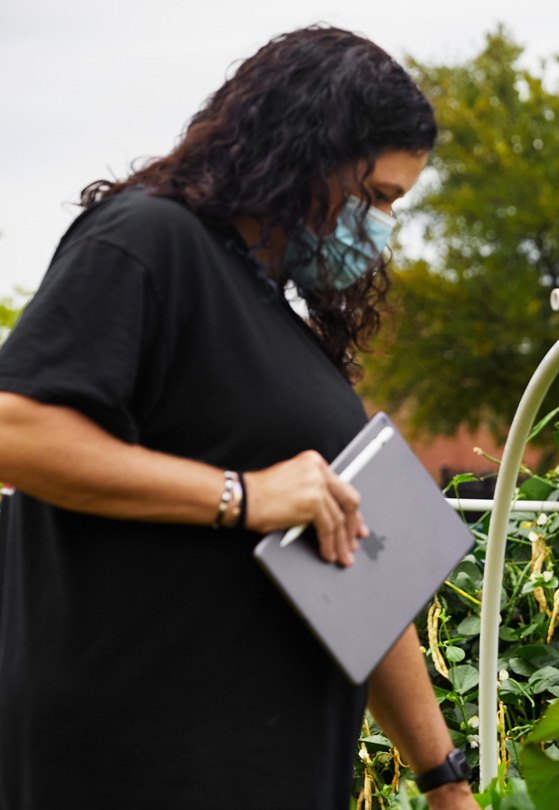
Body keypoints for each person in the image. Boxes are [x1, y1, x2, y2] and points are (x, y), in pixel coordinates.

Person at [0, 28, 477, 809]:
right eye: (380, 196)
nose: (385, 226)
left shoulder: (282, 322)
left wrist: (442, 780)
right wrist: (243, 496)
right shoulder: (149, 240)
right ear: (310, 153)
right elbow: (15, 430)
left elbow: (366, 576)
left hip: (265, 768)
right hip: (139, 759)